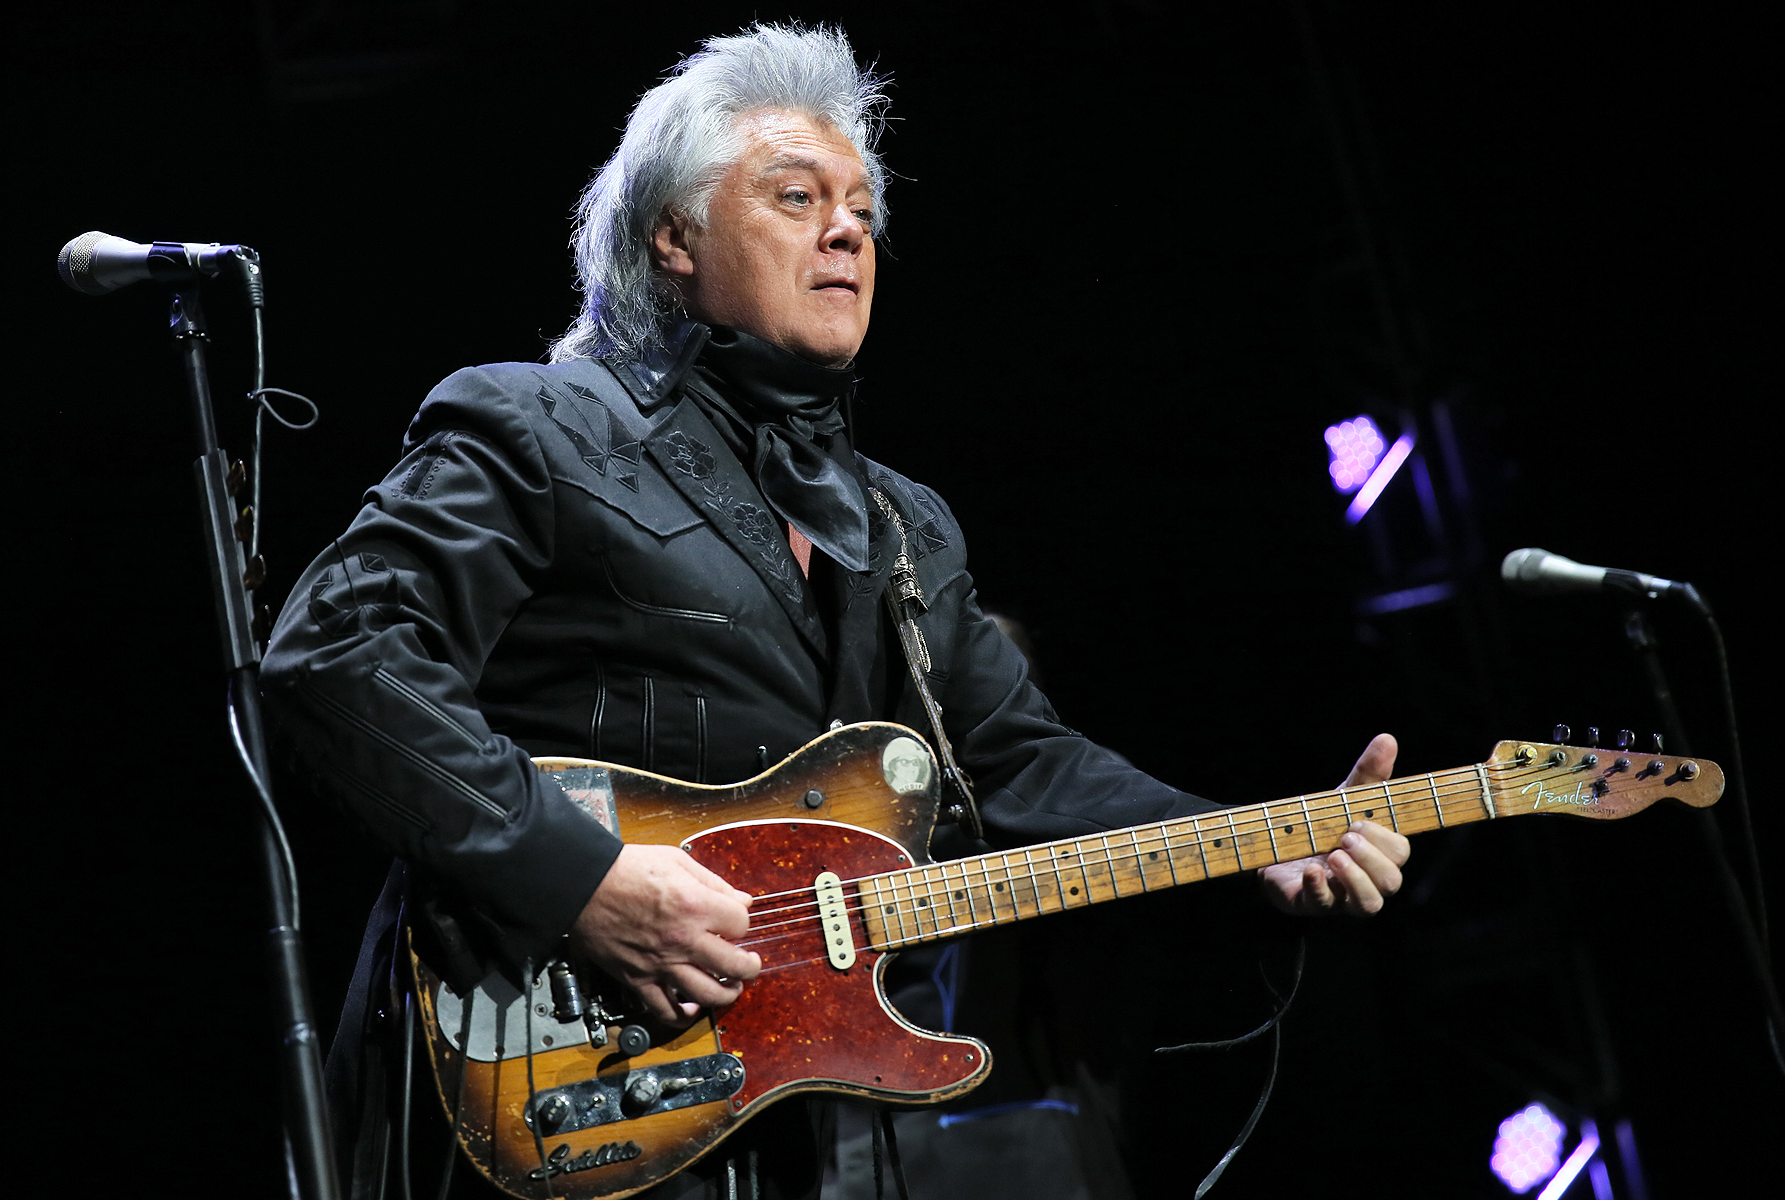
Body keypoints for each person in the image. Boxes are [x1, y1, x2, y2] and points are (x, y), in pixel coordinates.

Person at [260, 23, 1409, 1199]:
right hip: (526, 1076)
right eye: (796, 196)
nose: (849, 229)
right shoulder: (543, 426)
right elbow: (335, 654)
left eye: (861, 207)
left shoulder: (903, 524)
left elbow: (1019, 764)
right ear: (673, 239)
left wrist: (1261, 843)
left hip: (762, 1112)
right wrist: (585, 880)